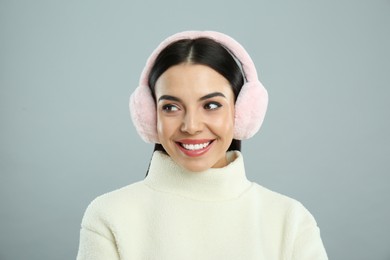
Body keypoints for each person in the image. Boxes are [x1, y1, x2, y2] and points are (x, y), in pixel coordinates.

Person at [76, 31, 328, 259]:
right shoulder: (109, 216)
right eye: (171, 107)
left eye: (211, 105)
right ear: (150, 115)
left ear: (241, 112)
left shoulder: (291, 221)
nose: (191, 126)